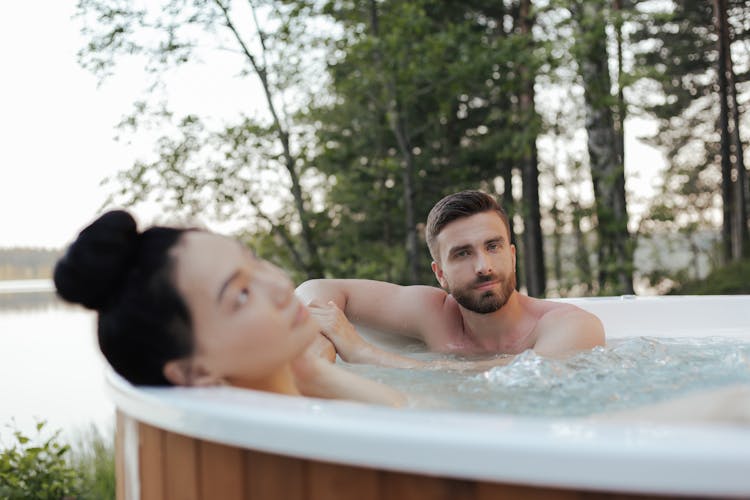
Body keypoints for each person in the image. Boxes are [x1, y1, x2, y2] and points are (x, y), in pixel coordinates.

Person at [53, 210, 405, 407]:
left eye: (254, 260)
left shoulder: (308, 399)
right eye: (241, 294)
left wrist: (314, 374)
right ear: (194, 371)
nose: (281, 285)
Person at [297, 190, 605, 368]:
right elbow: (314, 288)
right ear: (440, 274)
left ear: (512, 255)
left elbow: (518, 379)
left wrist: (364, 352)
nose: (483, 266)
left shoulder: (571, 326)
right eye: (462, 254)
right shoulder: (434, 315)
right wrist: (319, 344)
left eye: (493, 246)